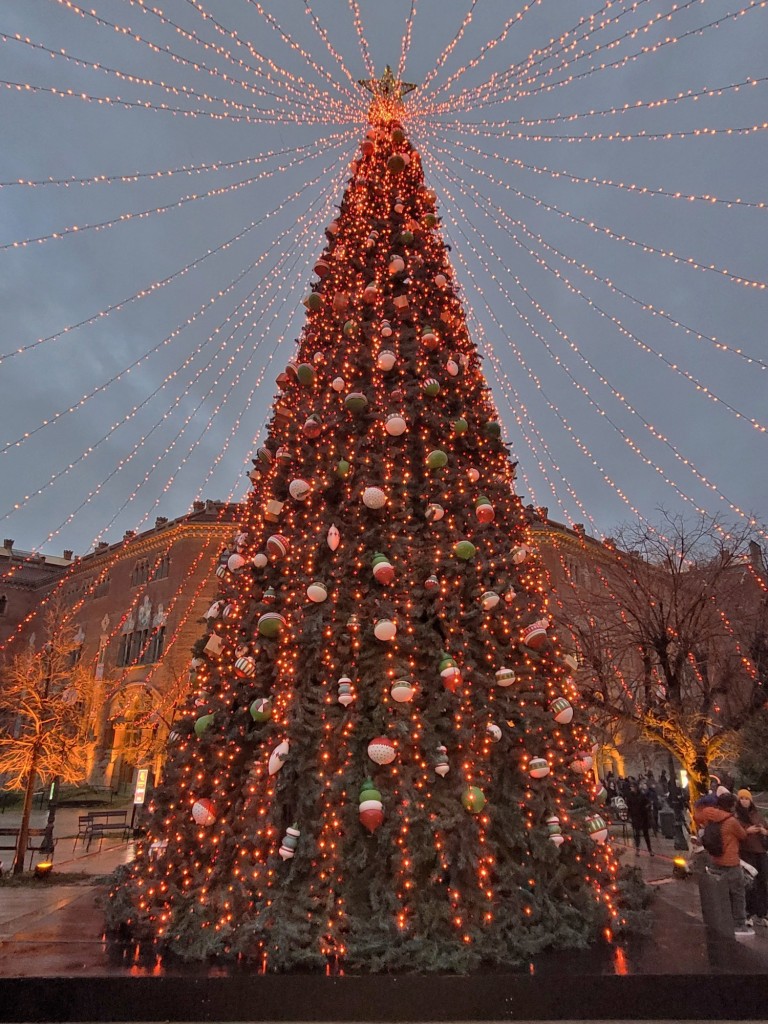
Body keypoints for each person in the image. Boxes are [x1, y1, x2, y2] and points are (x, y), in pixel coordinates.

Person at [695, 791, 759, 936]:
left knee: (720, 892)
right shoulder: (731, 821)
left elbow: (697, 816)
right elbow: (742, 836)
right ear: (731, 806)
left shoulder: (710, 816)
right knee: (738, 894)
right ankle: (740, 925)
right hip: (730, 861)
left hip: (715, 860)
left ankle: (723, 919)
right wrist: (747, 831)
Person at [735, 788, 768, 926]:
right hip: (746, 852)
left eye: (746, 798)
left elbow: (765, 829)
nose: (744, 801)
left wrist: (763, 831)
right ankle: (749, 913)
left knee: (762, 882)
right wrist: (746, 831)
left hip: (760, 852)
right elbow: (736, 833)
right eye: (742, 798)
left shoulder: (757, 814)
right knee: (749, 884)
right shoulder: (736, 816)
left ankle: (762, 912)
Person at [626, 780, 654, 855]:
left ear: (635, 787)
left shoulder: (641, 795)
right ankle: (637, 849)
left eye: (632, 787)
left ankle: (650, 850)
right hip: (635, 817)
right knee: (636, 834)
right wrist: (629, 816)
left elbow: (648, 803)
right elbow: (629, 806)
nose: (631, 788)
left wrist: (646, 808)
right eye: (631, 787)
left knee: (646, 834)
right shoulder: (630, 796)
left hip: (643, 816)